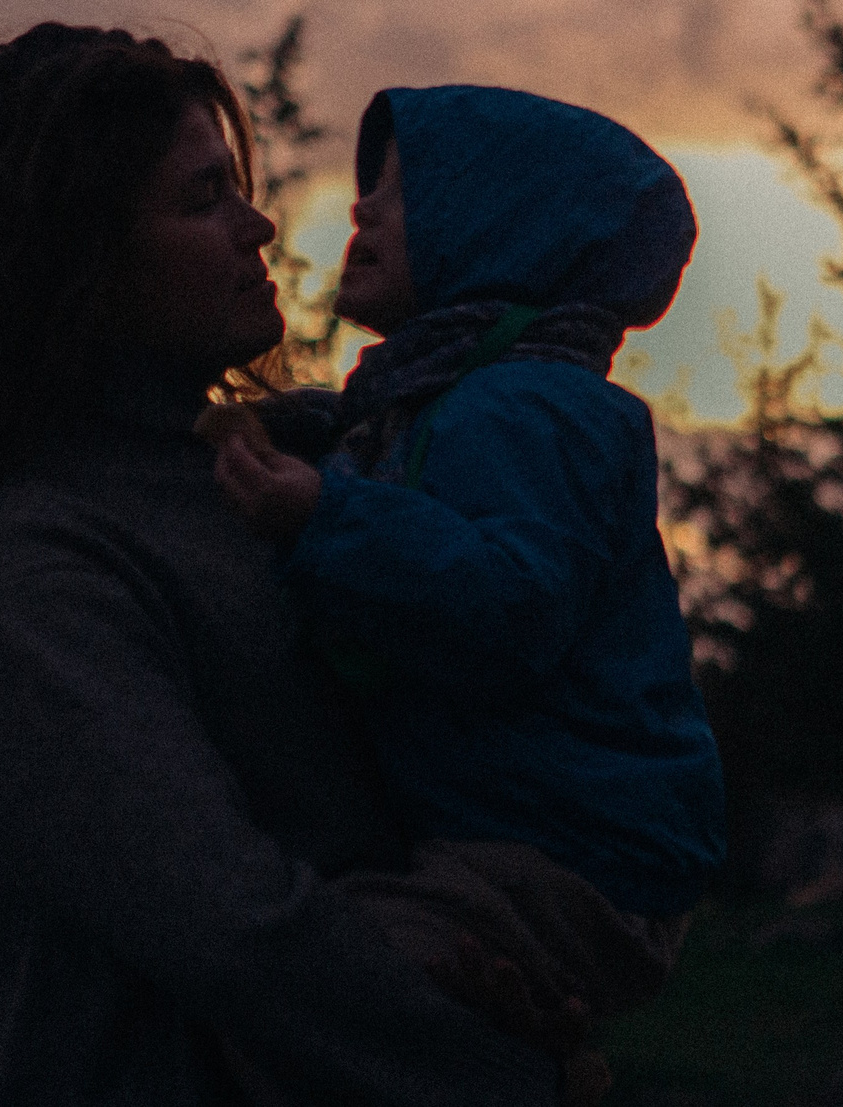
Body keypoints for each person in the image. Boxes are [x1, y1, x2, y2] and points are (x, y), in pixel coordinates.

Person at [0, 27, 557, 1107]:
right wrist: (501, 1071)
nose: (257, 223)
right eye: (201, 199)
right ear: (73, 266)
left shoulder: (257, 471)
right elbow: (228, 924)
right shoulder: (28, 570)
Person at [209, 85, 726, 1043]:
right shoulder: (440, 404)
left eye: (405, 194)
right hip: (519, 838)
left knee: (333, 976)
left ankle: (546, 1065)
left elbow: (511, 606)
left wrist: (322, 516)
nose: (360, 209)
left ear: (502, 232)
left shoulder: (530, 408)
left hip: (572, 857)